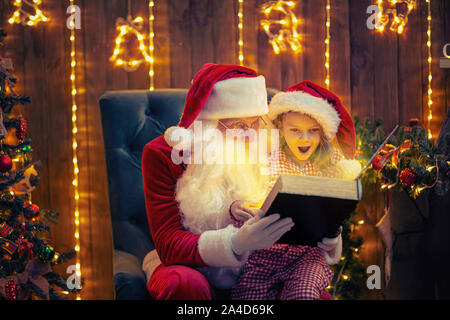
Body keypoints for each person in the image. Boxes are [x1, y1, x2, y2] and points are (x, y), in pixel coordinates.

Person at [141, 63, 294, 300]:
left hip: (258, 265)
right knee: (183, 283)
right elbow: (170, 243)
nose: (250, 135)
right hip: (191, 264)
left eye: (255, 123)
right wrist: (234, 243)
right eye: (238, 126)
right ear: (209, 126)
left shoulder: (265, 147)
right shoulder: (163, 154)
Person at [230, 81, 361, 300]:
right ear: (280, 127)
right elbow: (240, 196)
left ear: (322, 132)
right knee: (247, 298)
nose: (305, 139)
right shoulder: (264, 157)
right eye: (295, 130)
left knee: (304, 293)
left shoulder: (333, 165)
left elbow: (337, 213)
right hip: (263, 255)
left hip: (306, 257)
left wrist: (333, 234)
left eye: (313, 131)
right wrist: (236, 209)